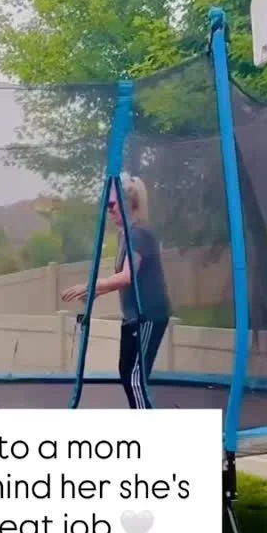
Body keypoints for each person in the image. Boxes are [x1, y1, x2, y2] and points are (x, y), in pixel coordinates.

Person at [61, 174, 171, 409]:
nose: (109, 211)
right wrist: (96, 292)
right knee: (126, 371)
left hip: (148, 315)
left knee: (135, 378)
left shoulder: (139, 233)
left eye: (112, 205)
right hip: (133, 315)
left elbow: (127, 275)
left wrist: (90, 286)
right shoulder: (125, 235)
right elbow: (128, 281)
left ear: (128, 204)